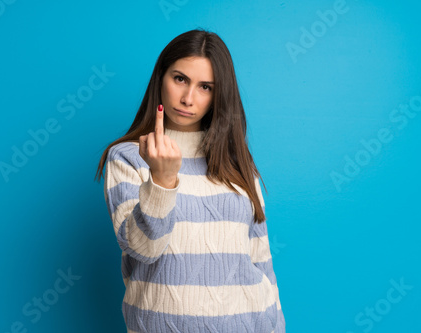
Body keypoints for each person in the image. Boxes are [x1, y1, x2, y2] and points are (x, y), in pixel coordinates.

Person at [95, 29, 286, 333]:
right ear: (161, 78)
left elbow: (261, 261)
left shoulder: (237, 164)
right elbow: (144, 249)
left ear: (219, 94)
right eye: (180, 79)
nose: (188, 98)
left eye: (205, 87)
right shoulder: (128, 157)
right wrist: (163, 179)